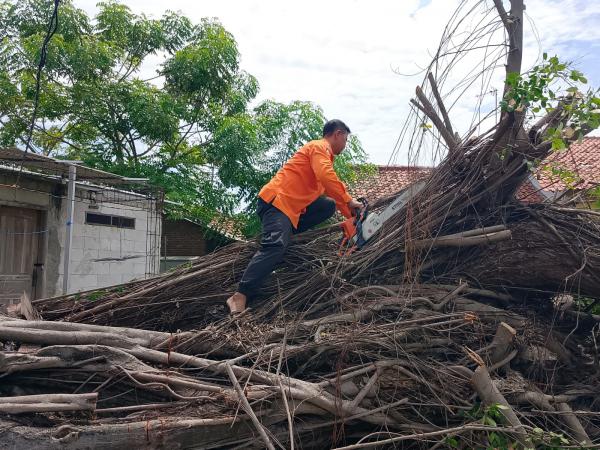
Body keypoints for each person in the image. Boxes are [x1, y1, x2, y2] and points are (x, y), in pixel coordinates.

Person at [226, 119, 363, 314]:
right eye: (346, 140)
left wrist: (354, 215)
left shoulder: (322, 159)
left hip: (290, 211)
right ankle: (239, 296)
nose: (345, 145)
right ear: (338, 134)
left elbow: (334, 194)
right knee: (275, 246)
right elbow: (326, 175)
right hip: (277, 203)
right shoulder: (318, 147)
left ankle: (287, 234)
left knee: (328, 205)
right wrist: (350, 200)